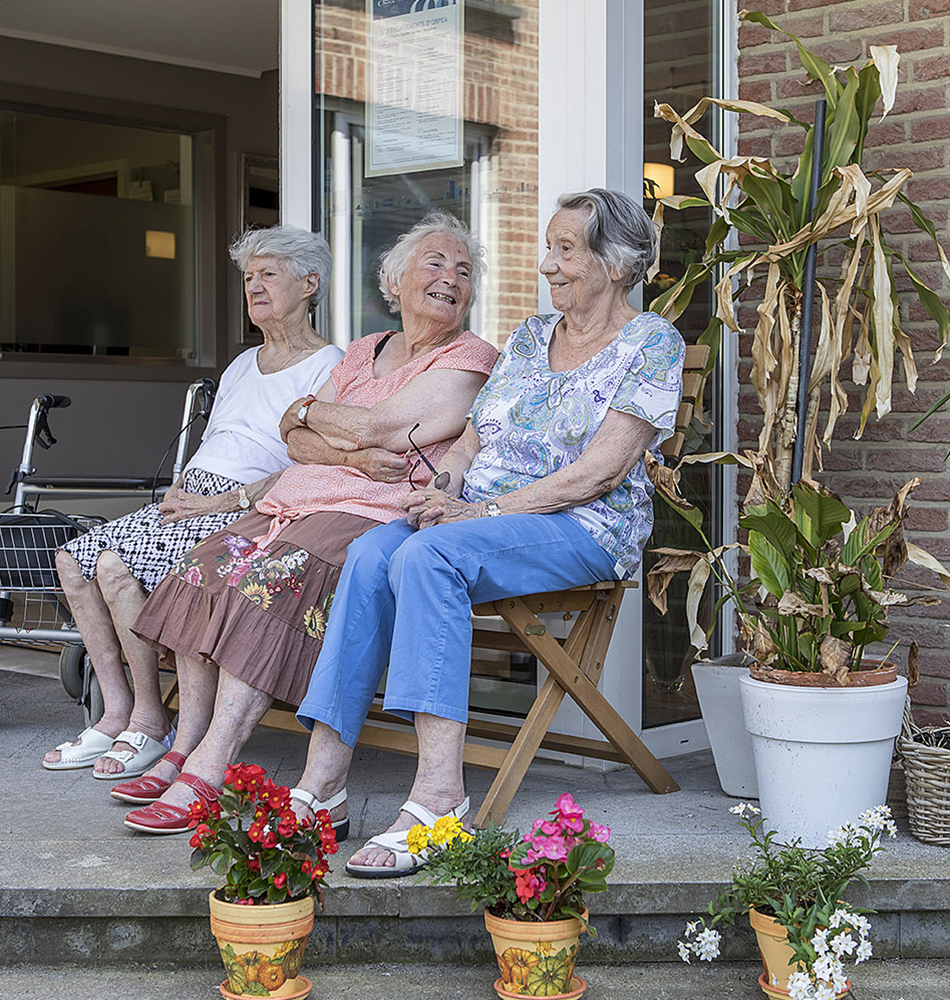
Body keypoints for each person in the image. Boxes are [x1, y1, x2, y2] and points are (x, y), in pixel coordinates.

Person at [287, 188, 685, 876]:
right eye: (549, 248)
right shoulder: (532, 337)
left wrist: (480, 514)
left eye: (565, 250)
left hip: (581, 527)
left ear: (614, 265)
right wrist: (444, 487)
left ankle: (440, 799)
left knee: (429, 558)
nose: (547, 265)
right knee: (374, 550)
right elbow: (474, 439)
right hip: (480, 521)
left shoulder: (651, 342)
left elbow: (600, 471)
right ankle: (324, 786)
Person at [119, 211, 500, 834]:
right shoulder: (362, 350)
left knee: (264, 584)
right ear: (394, 282)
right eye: (434, 264)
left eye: (463, 272)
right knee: (202, 569)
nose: (450, 279)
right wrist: (333, 437)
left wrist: (325, 424)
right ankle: (183, 744)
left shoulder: (468, 356)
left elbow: (376, 428)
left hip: (364, 514)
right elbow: (293, 434)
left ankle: (208, 770)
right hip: (295, 497)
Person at [42, 226, 344, 778]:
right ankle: (118, 712)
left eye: (268, 274)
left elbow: (311, 464)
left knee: (113, 567)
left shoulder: (330, 365)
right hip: (193, 497)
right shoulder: (241, 364)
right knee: (73, 559)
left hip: (246, 509)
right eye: (248, 277)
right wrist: (185, 488)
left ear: (309, 283)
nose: (253, 287)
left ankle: (150, 723)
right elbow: (219, 441)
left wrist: (221, 501)